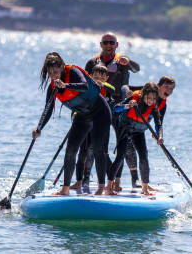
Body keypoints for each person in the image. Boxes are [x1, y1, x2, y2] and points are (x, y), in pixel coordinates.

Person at [32, 52, 111, 196]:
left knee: (98, 149)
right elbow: (48, 110)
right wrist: (39, 128)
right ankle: (65, 189)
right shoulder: (52, 88)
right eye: (50, 73)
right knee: (70, 151)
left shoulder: (72, 72)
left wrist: (66, 85)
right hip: (83, 116)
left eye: (56, 71)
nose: (54, 76)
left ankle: (101, 187)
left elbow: (85, 86)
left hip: (100, 112)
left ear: (62, 67)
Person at [84, 32, 141, 188]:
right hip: (99, 107)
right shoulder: (92, 62)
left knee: (126, 143)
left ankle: (133, 179)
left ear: (116, 45)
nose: (109, 45)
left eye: (112, 42)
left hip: (120, 107)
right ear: (101, 44)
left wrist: (129, 62)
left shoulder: (123, 61)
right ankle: (86, 178)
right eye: (106, 42)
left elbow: (137, 69)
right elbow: (85, 84)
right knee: (92, 144)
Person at [106, 82, 164, 196]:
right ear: (143, 95)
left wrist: (160, 136)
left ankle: (145, 187)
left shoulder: (154, 108)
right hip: (125, 129)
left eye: (153, 98)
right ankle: (109, 186)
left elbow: (159, 125)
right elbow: (116, 109)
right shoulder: (134, 98)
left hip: (138, 132)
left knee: (144, 156)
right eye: (148, 98)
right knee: (120, 156)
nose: (150, 101)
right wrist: (128, 105)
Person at [120, 76, 176, 187]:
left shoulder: (162, 105)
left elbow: (159, 123)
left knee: (143, 154)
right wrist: (127, 92)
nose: (169, 91)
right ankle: (135, 180)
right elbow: (124, 86)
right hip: (126, 124)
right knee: (128, 150)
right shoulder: (146, 89)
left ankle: (145, 182)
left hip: (140, 129)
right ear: (158, 86)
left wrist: (158, 136)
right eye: (166, 87)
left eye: (171, 89)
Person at [73, 64, 115, 188]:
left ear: (106, 78)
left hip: (101, 125)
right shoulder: (86, 87)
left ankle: (109, 181)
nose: (98, 79)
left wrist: (102, 85)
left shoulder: (107, 88)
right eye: (95, 77)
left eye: (101, 77)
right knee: (83, 153)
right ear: (90, 76)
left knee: (101, 153)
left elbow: (113, 88)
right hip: (87, 123)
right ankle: (80, 180)